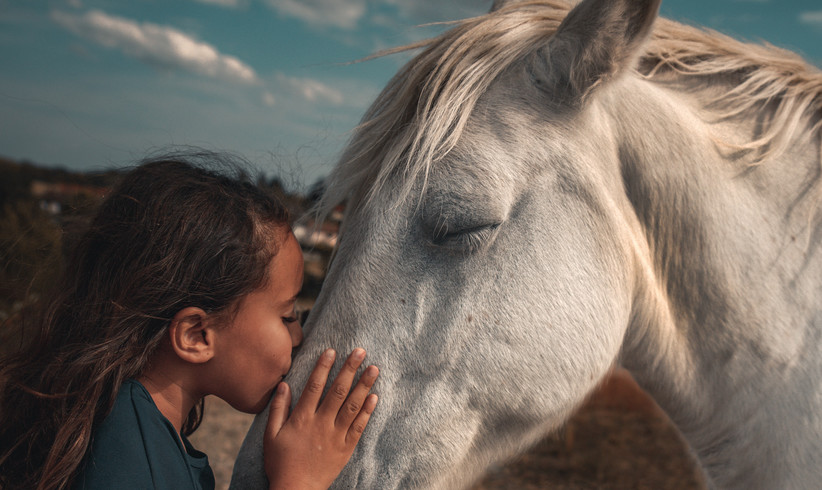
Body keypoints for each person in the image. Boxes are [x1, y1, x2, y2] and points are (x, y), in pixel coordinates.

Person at [0, 153, 379, 490]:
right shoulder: (129, 457)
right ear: (196, 335)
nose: (299, 335)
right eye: (286, 316)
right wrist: (300, 481)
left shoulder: (131, 427)